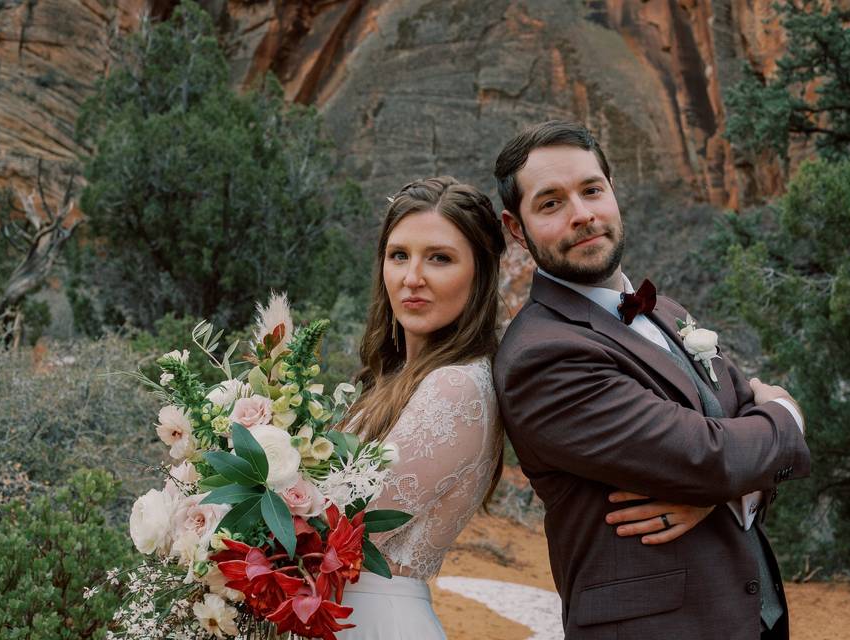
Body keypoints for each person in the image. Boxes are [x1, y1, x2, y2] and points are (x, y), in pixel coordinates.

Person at [492, 121, 811, 639]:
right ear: (515, 228)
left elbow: (728, 446)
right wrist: (788, 415)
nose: (582, 215)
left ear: (613, 193)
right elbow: (712, 455)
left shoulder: (664, 309)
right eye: (550, 204)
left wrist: (724, 489)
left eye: (592, 190)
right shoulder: (542, 355)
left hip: (752, 615)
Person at [334, 176, 507, 638]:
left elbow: (339, 532)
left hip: (372, 620)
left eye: (440, 258)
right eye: (399, 256)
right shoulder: (396, 379)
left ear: (481, 273)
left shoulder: (455, 387)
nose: (413, 278)